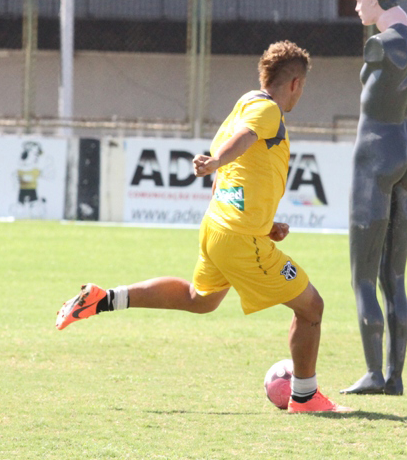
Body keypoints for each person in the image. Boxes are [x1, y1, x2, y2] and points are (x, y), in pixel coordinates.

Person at [55, 41, 352, 414]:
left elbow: (238, 168)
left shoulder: (245, 102)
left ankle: (105, 298)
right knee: (311, 308)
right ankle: (305, 398)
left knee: (200, 299)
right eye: (302, 87)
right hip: (239, 238)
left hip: (218, 226)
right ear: (295, 83)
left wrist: (263, 223)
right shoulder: (267, 111)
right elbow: (241, 142)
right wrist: (216, 161)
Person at [341, 0, 407, 396]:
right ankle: (395, 377)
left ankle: (374, 373)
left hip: (375, 155)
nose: (356, 7)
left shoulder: (380, 44)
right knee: (394, 275)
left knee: (363, 275)